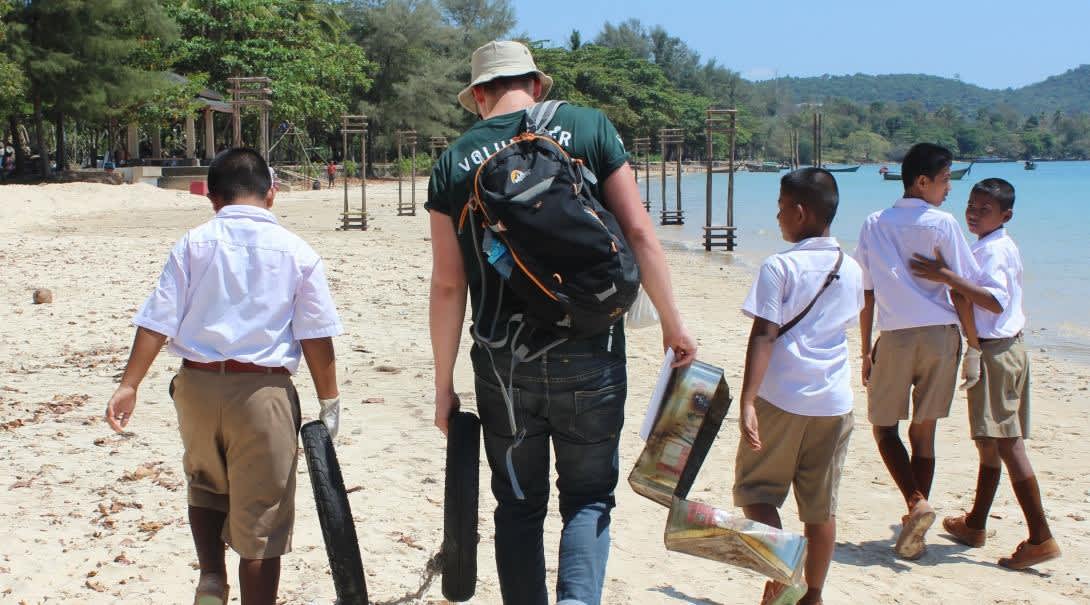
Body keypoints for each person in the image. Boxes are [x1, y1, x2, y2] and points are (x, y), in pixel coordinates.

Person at [426, 40, 696, 605]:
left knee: (519, 505)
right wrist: (674, 325)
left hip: (502, 364)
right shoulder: (590, 128)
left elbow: (449, 283)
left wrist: (443, 384)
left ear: (479, 95)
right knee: (589, 498)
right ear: (537, 84)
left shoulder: (454, 161)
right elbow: (641, 233)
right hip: (591, 353)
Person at [103, 148, 343, 605]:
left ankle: (212, 578)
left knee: (205, 483)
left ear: (212, 198)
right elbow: (315, 336)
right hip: (262, 393)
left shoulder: (193, 243)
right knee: (262, 517)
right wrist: (329, 401)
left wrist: (129, 383)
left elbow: (158, 320)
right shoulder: (298, 253)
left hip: (194, 385)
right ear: (272, 194)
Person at [909, 178, 1061, 569]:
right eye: (971, 206)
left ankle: (1040, 536)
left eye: (984, 210)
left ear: (1005, 215)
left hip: (997, 351)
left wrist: (945, 276)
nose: (974, 214)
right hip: (996, 349)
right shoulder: (988, 247)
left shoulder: (995, 252)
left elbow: (993, 302)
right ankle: (976, 523)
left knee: (1007, 442)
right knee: (989, 441)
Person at [854, 142, 995, 560]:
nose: (949, 188)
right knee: (924, 432)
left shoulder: (874, 223)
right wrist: (974, 346)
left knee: (884, 428)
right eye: (946, 179)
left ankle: (916, 504)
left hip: (895, 335)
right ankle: (917, 516)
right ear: (922, 181)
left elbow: (866, 291)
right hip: (941, 334)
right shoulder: (943, 224)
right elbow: (962, 290)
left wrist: (865, 348)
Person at [735, 169, 863, 605]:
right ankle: (814, 595)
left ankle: (783, 571)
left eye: (781, 207)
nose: (777, 215)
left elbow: (764, 335)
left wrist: (748, 399)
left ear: (801, 212)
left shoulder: (779, 266)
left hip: (782, 398)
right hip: (834, 403)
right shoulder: (852, 268)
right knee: (820, 509)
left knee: (756, 492)